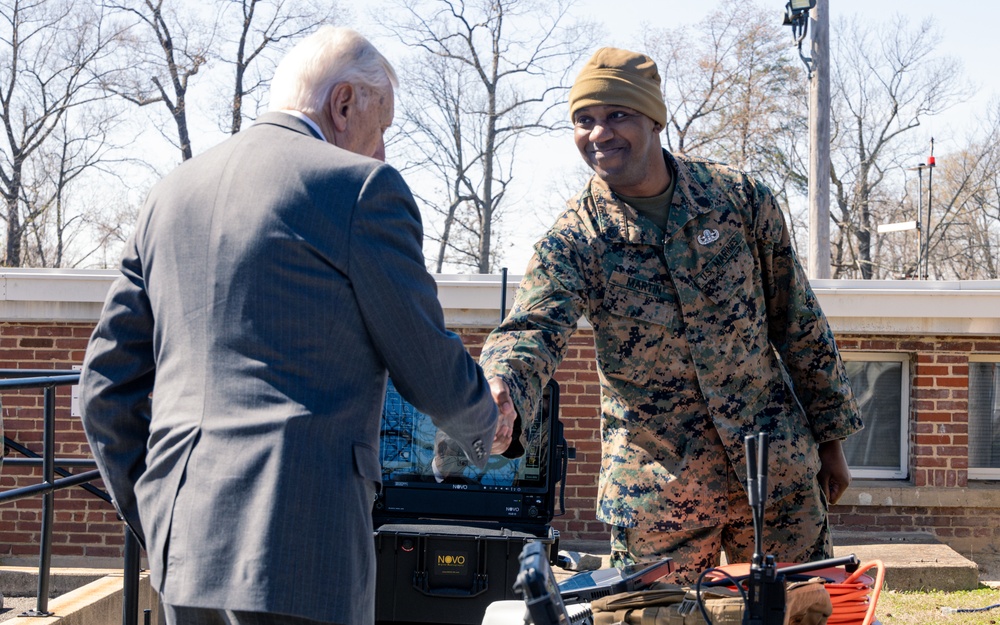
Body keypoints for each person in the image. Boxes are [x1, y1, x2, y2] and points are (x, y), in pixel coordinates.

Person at [79, 26, 511, 625]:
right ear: (343, 103)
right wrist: (487, 419)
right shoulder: (360, 188)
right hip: (305, 549)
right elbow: (428, 363)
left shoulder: (168, 195)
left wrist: (158, 516)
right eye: (381, 127)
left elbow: (101, 389)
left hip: (186, 548)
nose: (383, 151)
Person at [479, 47, 864, 584]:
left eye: (618, 115)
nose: (599, 133)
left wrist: (831, 439)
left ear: (654, 118)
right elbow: (532, 329)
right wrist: (502, 388)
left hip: (774, 476)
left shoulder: (739, 200)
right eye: (584, 120)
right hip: (661, 498)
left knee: (803, 611)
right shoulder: (575, 239)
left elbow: (798, 323)